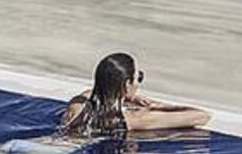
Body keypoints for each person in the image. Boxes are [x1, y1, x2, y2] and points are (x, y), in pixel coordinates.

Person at [61, 53, 211, 137]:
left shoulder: (77, 105)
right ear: (127, 84)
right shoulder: (132, 120)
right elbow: (201, 116)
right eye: (138, 77)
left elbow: (91, 93)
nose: (138, 82)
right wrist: (161, 106)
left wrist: (126, 96)